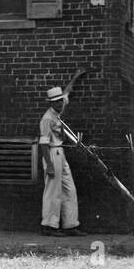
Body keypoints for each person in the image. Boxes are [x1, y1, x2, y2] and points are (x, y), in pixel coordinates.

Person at [39, 85, 84, 236]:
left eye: (60, 101)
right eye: (57, 102)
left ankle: (70, 225)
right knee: (53, 191)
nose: (60, 103)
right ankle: (49, 226)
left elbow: (67, 92)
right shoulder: (47, 119)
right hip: (52, 153)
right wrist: (49, 165)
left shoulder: (59, 110)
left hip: (61, 152)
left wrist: (77, 77)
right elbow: (44, 143)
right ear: (51, 103)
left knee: (69, 189)